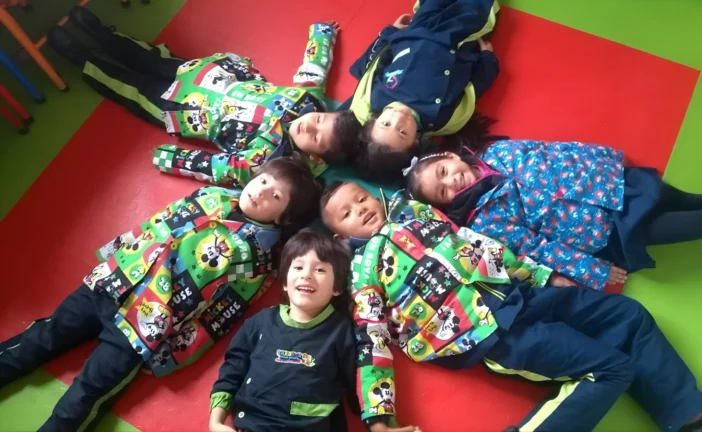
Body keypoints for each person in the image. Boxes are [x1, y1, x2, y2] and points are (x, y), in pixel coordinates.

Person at [319, 181, 702, 432]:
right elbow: (370, 336)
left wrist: (537, 274)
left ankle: (694, 418)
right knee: (609, 369)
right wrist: (379, 418)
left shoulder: (420, 214)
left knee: (629, 316)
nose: (360, 209)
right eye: (346, 213)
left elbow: (480, 244)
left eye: (361, 198)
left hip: (523, 296)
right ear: (341, 236)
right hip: (486, 333)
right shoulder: (363, 269)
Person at [0, 158, 322, 431]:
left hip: (146, 326)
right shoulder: (213, 195)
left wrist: (178, 352)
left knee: (87, 392)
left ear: (284, 218)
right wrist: (116, 250)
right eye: (263, 179)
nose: (261, 190)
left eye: (275, 195)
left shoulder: (257, 258)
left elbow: (225, 310)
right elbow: (157, 222)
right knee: (45, 335)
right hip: (114, 280)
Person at [48, 6, 362, 185]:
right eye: (320, 120)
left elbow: (221, 168)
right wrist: (323, 32)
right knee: (148, 56)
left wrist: (170, 158)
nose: (310, 126)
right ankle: (104, 34)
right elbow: (314, 68)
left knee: (128, 85)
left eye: (317, 138)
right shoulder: (307, 100)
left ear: (316, 156)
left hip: (178, 109)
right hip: (204, 75)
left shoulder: (270, 158)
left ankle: (84, 59)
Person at [404, 139, 702, 290]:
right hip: (608, 230)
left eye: (444, 173)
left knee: (693, 202)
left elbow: (556, 148)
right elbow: (538, 248)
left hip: (614, 185)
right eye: (444, 192)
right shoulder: (485, 221)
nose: (453, 182)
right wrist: (591, 270)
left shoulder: (500, 150)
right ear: (448, 205)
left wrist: (604, 155)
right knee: (698, 224)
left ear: (452, 158)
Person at [209, 231, 360, 432]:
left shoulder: (342, 330)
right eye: (298, 267)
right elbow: (231, 371)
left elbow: (359, 384)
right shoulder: (260, 323)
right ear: (285, 282)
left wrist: (378, 422)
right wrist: (216, 422)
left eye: (320, 270)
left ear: (338, 287)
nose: (306, 274)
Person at [342, 0, 501, 183]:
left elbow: (378, 61)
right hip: (457, 37)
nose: (398, 118)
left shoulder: (375, 97)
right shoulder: (439, 118)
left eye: (386, 123)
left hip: (417, 29)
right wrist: (487, 60)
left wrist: (390, 33)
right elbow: (474, 89)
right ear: (415, 141)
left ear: (374, 120)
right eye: (403, 132)